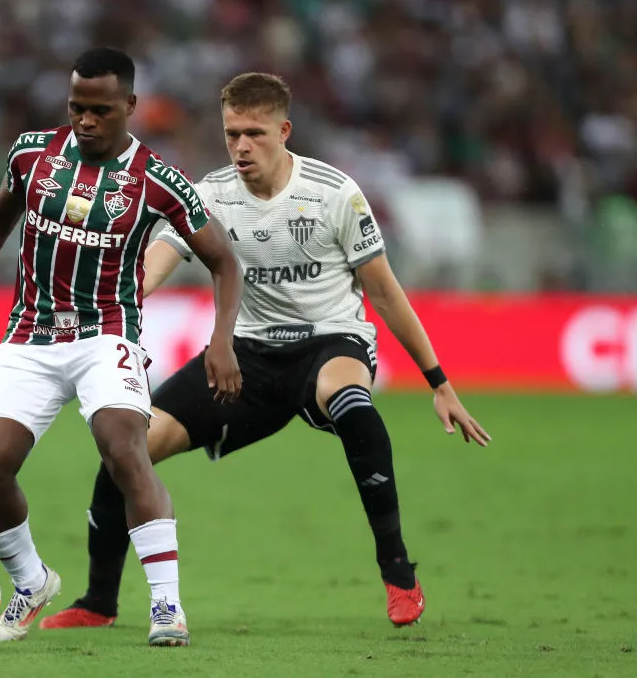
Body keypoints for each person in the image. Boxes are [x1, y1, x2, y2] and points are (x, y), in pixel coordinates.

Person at [40, 72, 491, 632]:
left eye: (254, 133)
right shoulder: (210, 195)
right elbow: (157, 260)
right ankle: (99, 602)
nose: (241, 146)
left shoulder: (334, 194)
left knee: (352, 403)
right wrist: (112, 296)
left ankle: (397, 569)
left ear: (284, 131)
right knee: (126, 446)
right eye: (232, 134)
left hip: (328, 342)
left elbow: (384, 293)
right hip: (244, 359)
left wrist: (439, 382)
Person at [0, 48, 243, 647]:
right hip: (31, 333)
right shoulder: (31, 155)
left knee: (124, 449)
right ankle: (31, 580)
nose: (86, 120)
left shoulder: (157, 180)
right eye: (76, 108)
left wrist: (220, 340)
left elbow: (223, 260)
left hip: (107, 333)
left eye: (100, 110)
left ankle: (167, 606)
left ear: (130, 105)